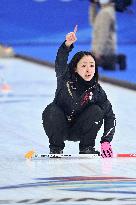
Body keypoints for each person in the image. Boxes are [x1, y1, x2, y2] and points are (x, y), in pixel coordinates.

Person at [42, 26, 116, 158]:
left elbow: (110, 117)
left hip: (80, 130)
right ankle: (56, 148)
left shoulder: (97, 91)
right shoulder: (64, 78)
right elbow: (60, 61)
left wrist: (106, 141)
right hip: (60, 127)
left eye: (92, 65)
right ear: (75, 69)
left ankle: (87, 147)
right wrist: (67, 45)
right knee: (51, 110)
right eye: (84, 65)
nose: (89, 70)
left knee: (97, 110)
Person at [90, 0, 126, 70]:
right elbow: (94, 23)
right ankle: (116, 59)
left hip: (104, 52)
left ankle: (116, 59)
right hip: (104, 50)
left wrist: (98, 52)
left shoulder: (106, 13)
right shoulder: (105, 10)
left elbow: (103, 34)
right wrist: (93, 6)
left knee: (87, 64)